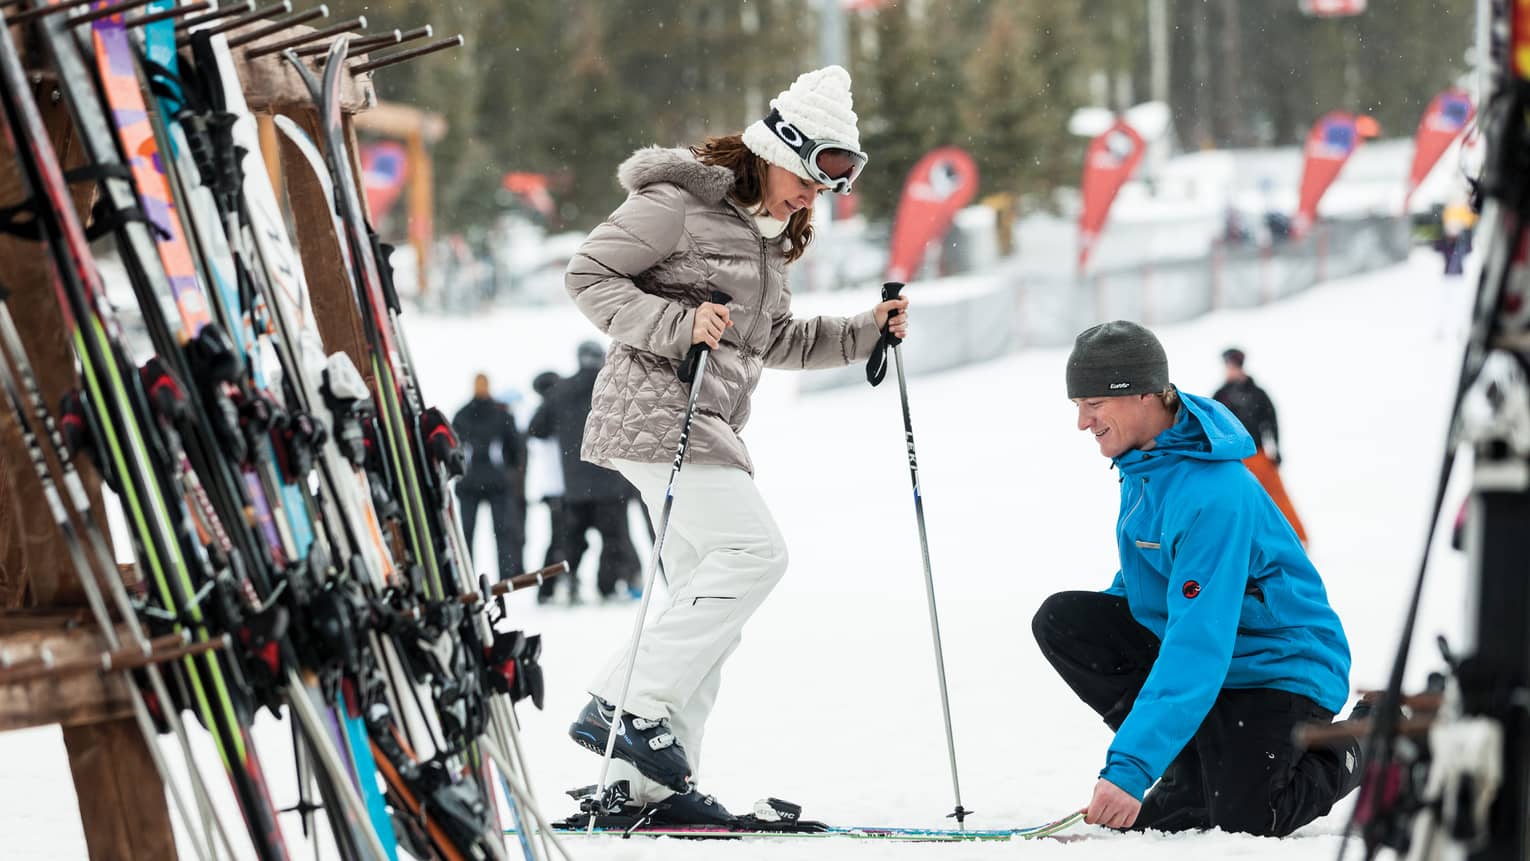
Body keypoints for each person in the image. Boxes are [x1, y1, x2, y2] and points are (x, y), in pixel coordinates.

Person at [562, 65, 908, 824]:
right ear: (776, 149)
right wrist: (677, 325)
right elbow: (587, 275)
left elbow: (774, 338)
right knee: (755, 554)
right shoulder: (677, 205)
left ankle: (643, 786)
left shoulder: (768, 236)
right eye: (811, 179)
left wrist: (863, 332)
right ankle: (623, 702)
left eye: (826, 188)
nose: (812, 198)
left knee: (706, 602)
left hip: (706, 420)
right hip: (654, 411)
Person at [1033, 321, 1360, 836]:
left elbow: (1196, 642)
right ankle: (1192, 771)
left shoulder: (1212, 493)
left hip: (1278, 664)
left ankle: (1364, 740)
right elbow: (1143, 592)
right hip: (1218, 656)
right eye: (1078, 405)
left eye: (1092, 402)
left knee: (1249, 818)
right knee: (1065, 621)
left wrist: (1130, 768)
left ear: (1143, 394)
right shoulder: (1145, 465)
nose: (1082, 421)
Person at [529, 342, 640, 603]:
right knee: (613, 539)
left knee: (572, 540)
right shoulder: (614, 386)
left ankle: (569, 581)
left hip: (575, 485)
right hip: (611, 481)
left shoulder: (560, 390)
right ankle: (608, 587)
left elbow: (537, 429)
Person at [1212, 348, 1307, 544]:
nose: (1231, 369)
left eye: (1234, 365)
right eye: (1228, 365)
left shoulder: (1257, 393)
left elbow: (1271, 421)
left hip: (1258, 453)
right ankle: (1240, 542)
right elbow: (1213, 425)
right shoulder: (1221, 395)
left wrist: (1276, 447)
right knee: (1235, 501)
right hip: (1233, 458)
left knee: (1277, 495)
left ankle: (1297, 538)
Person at [451, 373, 525, 580]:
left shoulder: (501, 414)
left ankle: (507, 575)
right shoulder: (463, 414)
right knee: (466, 532)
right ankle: (465, 576)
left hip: (496, 483)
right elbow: (452, 449)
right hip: (470, 484)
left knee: (503, 531)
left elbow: (515, 449)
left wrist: (507, 472)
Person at [525, 370, 581, 603]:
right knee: (562, 539)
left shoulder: (550, 411)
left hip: (560, 487)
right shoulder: (549, 412)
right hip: (559, 487)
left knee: (565, 538)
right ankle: (550, 586)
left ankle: (554, 585)